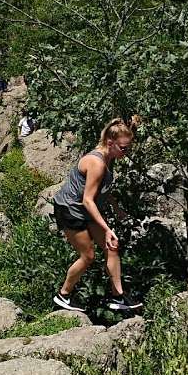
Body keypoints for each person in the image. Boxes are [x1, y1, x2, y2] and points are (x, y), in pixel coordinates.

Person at [51, 118, 144, 315]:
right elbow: (88, 199)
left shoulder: (109, 157)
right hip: (70, 209)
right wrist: (108, 228)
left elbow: (101, 188)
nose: (126, 153)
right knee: (88, 256)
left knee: (112, 246)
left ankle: (117, 296)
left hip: (84, 208)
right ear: (110, 143)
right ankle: (64, 294)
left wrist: (116, 208)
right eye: (123, 148)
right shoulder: (97, 163)